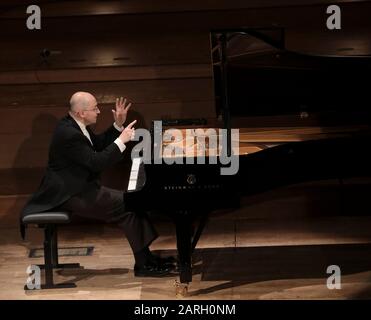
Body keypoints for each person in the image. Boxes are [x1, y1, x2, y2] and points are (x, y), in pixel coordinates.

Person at [21, 91, 174, 277]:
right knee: (130, 205)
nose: (99, 112)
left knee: (132, 203)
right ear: (81, 113)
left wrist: (118, 125)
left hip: (79, 189)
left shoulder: (75, 125)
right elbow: (97, 162)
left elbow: (99, 144)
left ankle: (147, 260)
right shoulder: (69, 133)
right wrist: (121, 141)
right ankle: (144, 264)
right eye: (95, 108)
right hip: (70, 194)